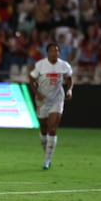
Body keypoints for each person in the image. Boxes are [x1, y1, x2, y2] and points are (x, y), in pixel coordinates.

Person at [28, 42, 73, 170]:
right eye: (52, 51)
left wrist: (69, 90)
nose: (55, 53)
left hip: (57, 99)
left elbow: (70, 79)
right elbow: (31, 79)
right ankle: (47, 151)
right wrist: (37, 93)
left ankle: (47, 160)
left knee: (52, 129)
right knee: (43, 128)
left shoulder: (64, 66)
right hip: (42, 101)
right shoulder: (40, 65)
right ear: (47, 53)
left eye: (57, 51)